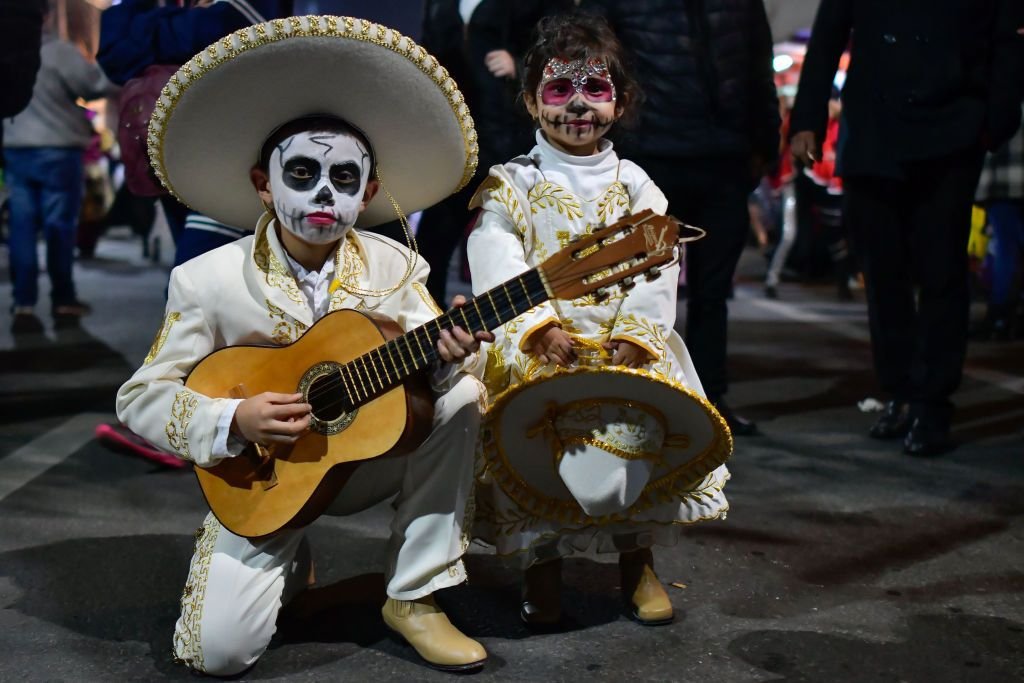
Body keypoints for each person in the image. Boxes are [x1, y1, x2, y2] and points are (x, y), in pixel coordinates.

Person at [115, 16, 493, 674]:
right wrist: (233, 418)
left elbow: (442, 373)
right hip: (268, 475)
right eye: (303, 172)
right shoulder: (204, 279)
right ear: (264, 182)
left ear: (369, 192)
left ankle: (417, 592)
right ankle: (286, 551)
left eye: (345, 179)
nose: (324, 193)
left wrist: (457, 350)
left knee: (461, 395)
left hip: (367, 458)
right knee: (217, 656)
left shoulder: (397, 267)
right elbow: (139, 397)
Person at [467, 14, 731, 629]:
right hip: (541, 352)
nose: (577, 106)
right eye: (559, 91)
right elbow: (496, 259)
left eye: (596, 89)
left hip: (621, 352)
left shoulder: (638, 184)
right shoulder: (511, 185)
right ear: (532, 100)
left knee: (637, 457)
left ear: (622, 101)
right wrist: (536, 327)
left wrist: (637, 334)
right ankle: (542, 564)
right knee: (532, 464)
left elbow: (659, 265)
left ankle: (636, 559)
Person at [790, 0, 1024, 456]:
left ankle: (933, 402)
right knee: (883, 270)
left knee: (942, 271)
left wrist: (997, 118)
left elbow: (1007, 38)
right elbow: (827, 38)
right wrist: (807, 120)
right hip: (874, 128)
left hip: (953, 126)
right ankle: (899, 390)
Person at [583, 0, 780, 437]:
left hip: (724, 159)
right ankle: (643, 394)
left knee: (712, 293)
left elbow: (756, 69)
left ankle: (709, 399)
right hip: (652, 155)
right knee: (642, 284)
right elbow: (597, 58)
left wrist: (765, 147)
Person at [97, 0, 291, 262]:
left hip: (230, 146)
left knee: (201, 265)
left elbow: (241, 27)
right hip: (171, 147)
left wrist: (146, 28)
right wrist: (186, 24)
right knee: (199, 262)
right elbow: (114, 51)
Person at [3, 4, 112, 333]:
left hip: (16, 149)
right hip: (58, 151)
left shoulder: (7, 47)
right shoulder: (59, 52)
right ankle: (63, 297)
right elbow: (95, 85)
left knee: (21, 227)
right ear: (47, 16)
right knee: (59, 227)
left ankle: (23, 302)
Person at [973, 109, 1023, 341]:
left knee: (1004, 248)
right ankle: (1005, 313)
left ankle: (1000, 313)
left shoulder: (1001, 87)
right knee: (1008, 247)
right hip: (1008, 180)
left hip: (1002, 181)